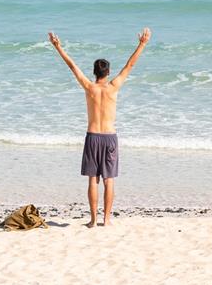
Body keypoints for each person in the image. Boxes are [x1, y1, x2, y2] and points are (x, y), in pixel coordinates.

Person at [48, 27, 151, 228]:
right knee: (109, 180)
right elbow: (130, 65)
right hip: (110, 137)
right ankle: (106, 220)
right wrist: (142, 44)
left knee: (92, 180)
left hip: (93, 137)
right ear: (108, 72)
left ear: (94, 72)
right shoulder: (114, 87)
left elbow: (72, 66)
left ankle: (93, 221)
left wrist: (57, 46)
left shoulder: (89, 87)